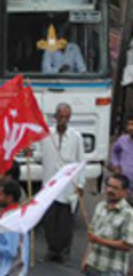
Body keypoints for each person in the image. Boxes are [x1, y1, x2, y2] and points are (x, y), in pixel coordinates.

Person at [41, 103, 85, 263]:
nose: (64, 119)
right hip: (50, 186)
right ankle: (51, 250)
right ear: (55, 117)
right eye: (61, 116)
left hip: (68, 188)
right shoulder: (47, 134)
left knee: (66, 224)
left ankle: (64, 252)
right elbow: (40, 155)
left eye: (67, 116)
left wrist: (80, 184)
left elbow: (81, 162)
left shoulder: (76, 137)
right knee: (50, 222)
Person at [108, 115, 133, 201]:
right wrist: (116, 164)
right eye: (129, 124)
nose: (130, 128)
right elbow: (115, 152)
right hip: (123, 187)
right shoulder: (122, 140)